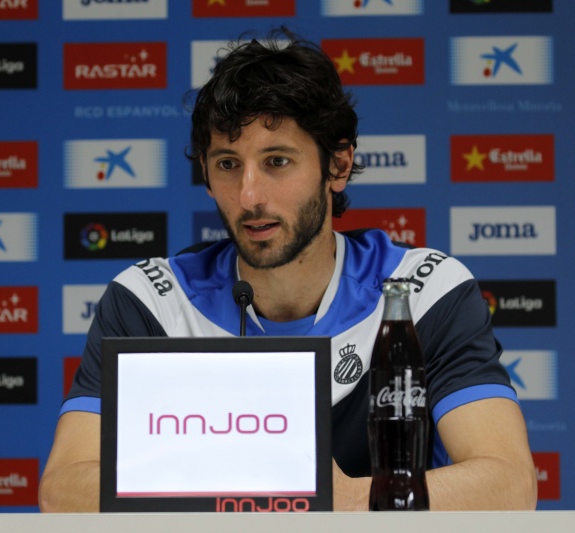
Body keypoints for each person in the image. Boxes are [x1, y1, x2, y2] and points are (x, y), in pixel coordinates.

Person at [38, 27, 537, 513]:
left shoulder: (421, 293)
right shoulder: (152, 303)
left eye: (277, 161)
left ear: (338, 165)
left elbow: (509, 486)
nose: (249, 196)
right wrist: (260, 498)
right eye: (228, 164)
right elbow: (62, 492)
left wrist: (333, 502)